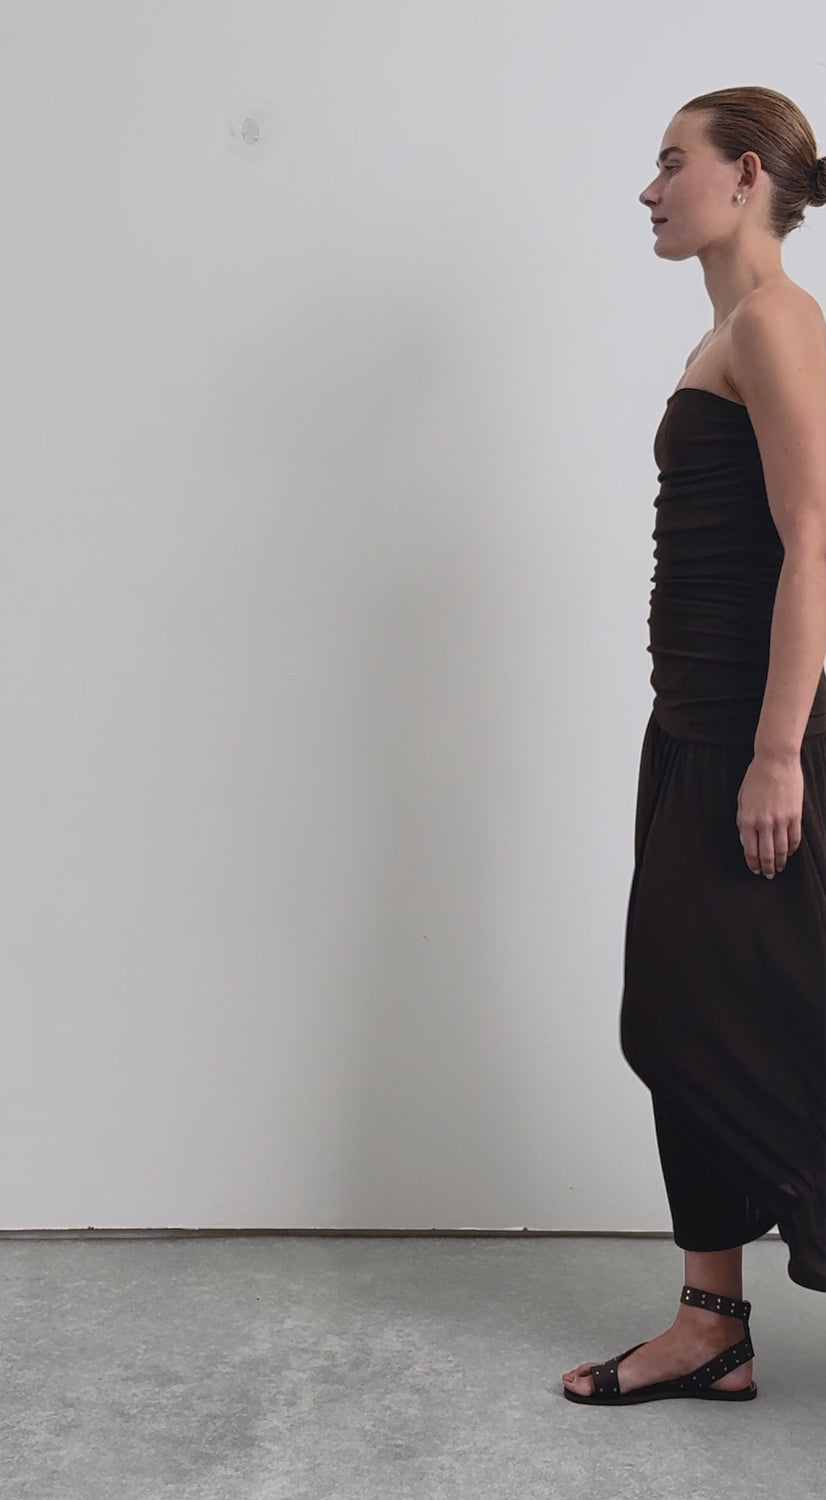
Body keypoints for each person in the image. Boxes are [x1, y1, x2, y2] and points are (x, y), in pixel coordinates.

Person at [561, 86, 826, 1405]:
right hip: (691, 729)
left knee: (717, 1020)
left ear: (745, 176)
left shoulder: (774, 321)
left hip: (748, 736)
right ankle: (710, 1321)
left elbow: (815, 539)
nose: (650, 189)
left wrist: (777, 752)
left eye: (672, 162)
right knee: (689, 1023)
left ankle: (713, 1319)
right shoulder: (727, 330)